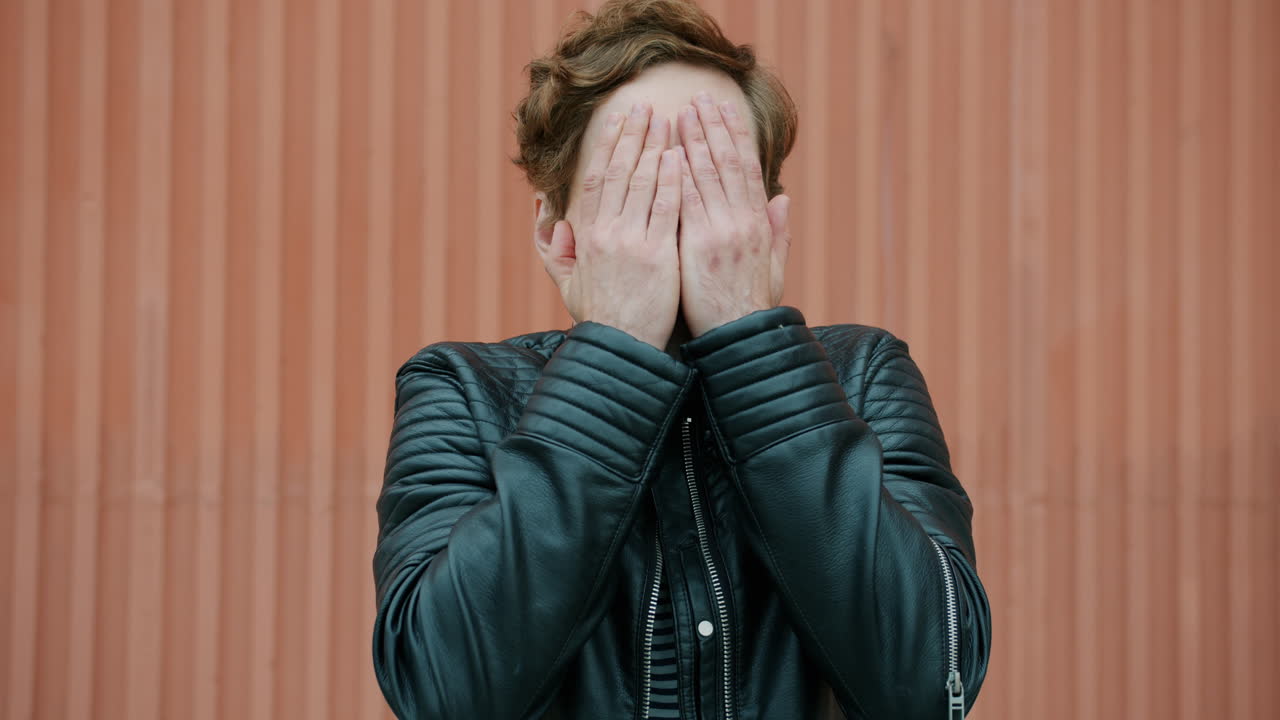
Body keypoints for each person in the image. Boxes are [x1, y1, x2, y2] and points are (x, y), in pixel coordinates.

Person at [371, 1, 992, 718]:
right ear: (554, 231)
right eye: (636, 182)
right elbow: (443, 692)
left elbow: (929, 685)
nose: (673, 211)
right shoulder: (462, 391)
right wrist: (618, 347)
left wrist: (750, 337)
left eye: (713, 180)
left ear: (769, 220)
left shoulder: (863, 375)